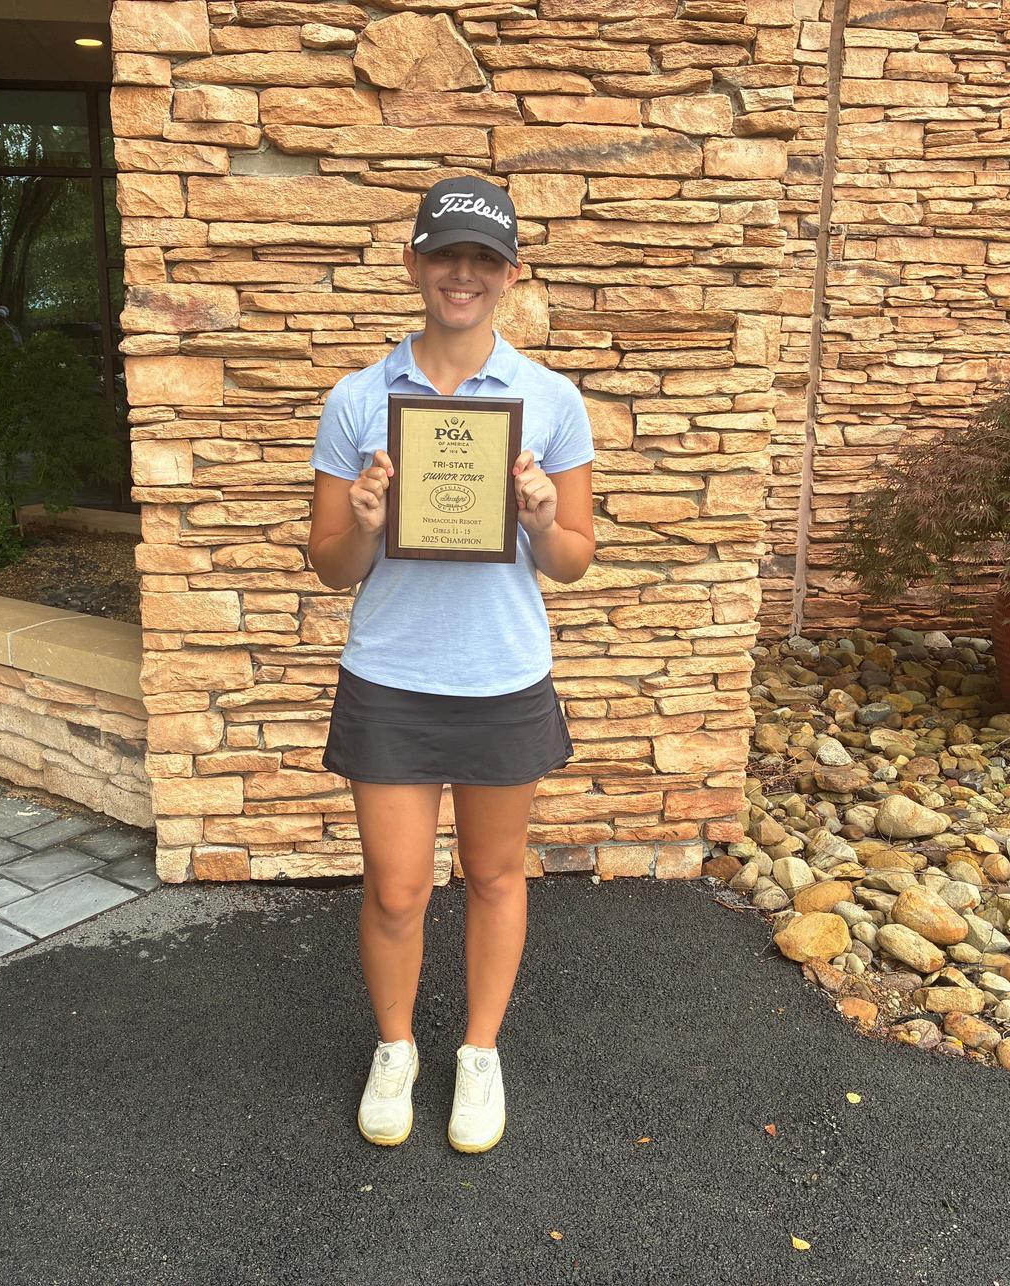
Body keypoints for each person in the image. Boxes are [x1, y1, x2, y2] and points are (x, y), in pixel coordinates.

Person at [307, 177, 596, 1154]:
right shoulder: (359, 399)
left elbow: (573, 559)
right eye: (444, 255)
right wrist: (363, 522)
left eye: (483, 259)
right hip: (391, 675)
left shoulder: (549, 400)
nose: (461, 275)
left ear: (511, 274)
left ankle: (478, 1052)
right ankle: (396, 1048)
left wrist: (543, 520)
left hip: (501, 674)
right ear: (413, 265)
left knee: (495, 874)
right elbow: (330, 564)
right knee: (396, 888)